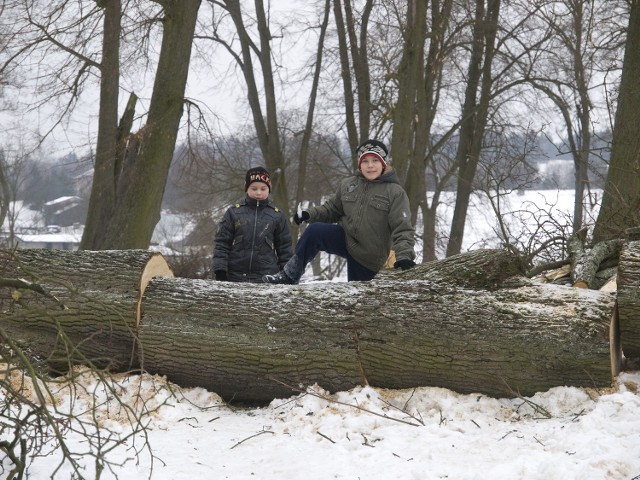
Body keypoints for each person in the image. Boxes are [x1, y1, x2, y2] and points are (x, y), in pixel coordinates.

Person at [262, 139, 415, 284]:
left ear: (384, 164)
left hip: (369, 256)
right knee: (315, 232)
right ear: (360, 165)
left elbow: (402, 227)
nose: (370, 166)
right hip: (346, 239)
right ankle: (290, 275)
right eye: (365, 161)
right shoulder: (348, 184)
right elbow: (332, 209)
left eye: (375, 161)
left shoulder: (395, 192)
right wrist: (309, 214)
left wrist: (404, 256)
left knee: (358, 300)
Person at [213, 166, 293, 282]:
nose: (258, 193)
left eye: (263, 188)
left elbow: (285, 249)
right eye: (254, 188)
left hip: (267, 278)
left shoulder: (278, 216)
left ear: (269, 189)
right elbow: (222, 244)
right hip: (235, 277)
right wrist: (220, 270)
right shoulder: (233, 213)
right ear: (246, 188)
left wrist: (288, 275)